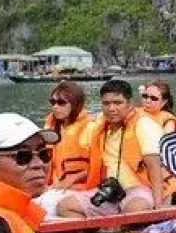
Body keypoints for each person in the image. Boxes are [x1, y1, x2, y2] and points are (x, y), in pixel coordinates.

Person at [56, 78, 168, 216]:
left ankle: (114, 226)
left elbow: (154, 168)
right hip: (108, 190)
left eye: (117, 103)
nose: (111, 109)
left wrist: (159, 207)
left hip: (138, 190)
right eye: (106, 103)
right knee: (65, 206)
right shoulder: (99, 125)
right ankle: (103, 229)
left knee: (136, 209)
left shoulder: (143, 124)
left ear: (130, 104)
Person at [43, 80, 96, 191]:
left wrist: (72, 179)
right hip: (53, 187)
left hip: (81, 188)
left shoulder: (90, 128)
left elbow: (98, 166)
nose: (55, 107)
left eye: (61, 103)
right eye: (53, 102)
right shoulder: (50, 128)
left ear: (76, 104)